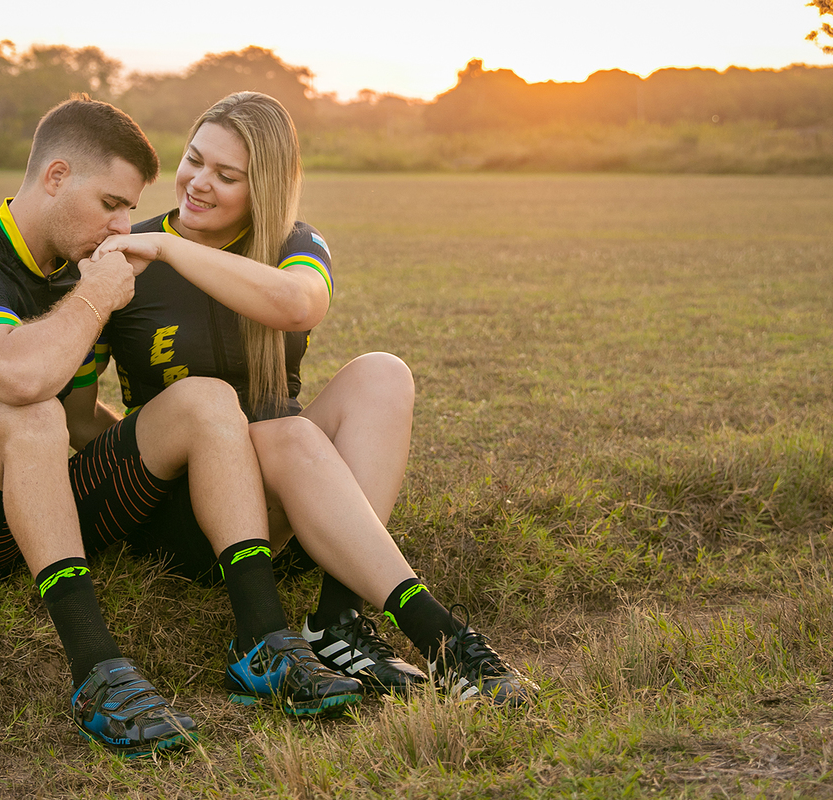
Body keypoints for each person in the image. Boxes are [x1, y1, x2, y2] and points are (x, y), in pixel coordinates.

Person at [0, 95, 363, 760]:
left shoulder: (63, 267)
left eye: (130, 207)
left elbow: (85, 422)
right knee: (32, 413)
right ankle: (98, 674)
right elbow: (23, 382)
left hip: (43, 496)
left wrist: (187, 456)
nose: (124, 223)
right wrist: (101, 292)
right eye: (110, 203)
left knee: (204, 397)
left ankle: (262, 642)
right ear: (55, 177)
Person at [88, 91, 538, 706]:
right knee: (282, 430)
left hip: (292, 502)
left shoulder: (294, 241)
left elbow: (300, 304)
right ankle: (440, 635)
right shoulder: (128, 253)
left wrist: (172, 248)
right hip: (190, 518)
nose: (198, 183)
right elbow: (75, 411)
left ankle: (336, 618)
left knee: (382, 373)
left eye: (227, 175)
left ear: (265, 187)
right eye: (194, 160)